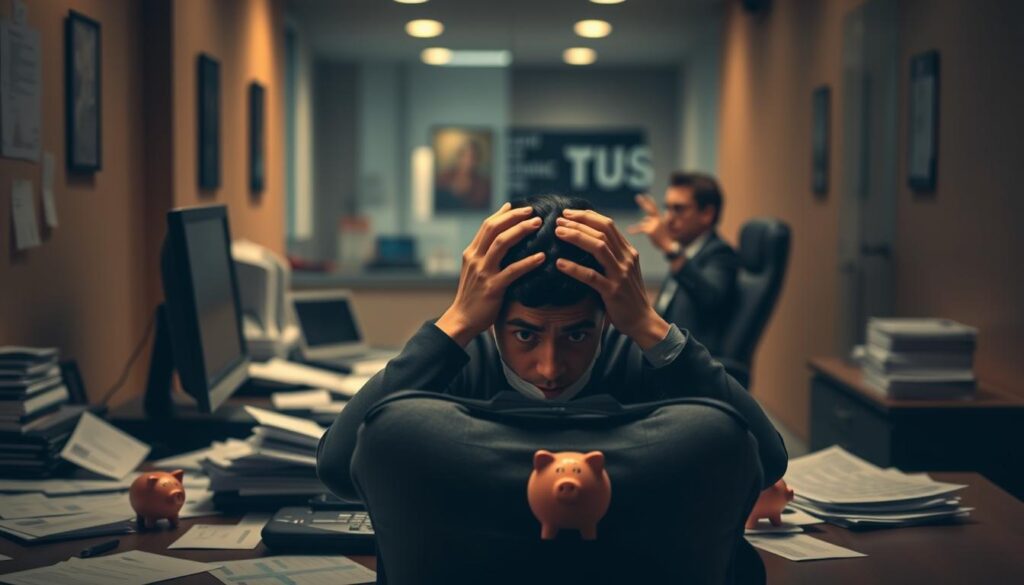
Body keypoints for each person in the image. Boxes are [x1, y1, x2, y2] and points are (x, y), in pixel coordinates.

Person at [317, 195, 786, 504]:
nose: (549, 368)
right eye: (525, 335)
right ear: (493, 316)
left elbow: (767, 461)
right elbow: (338, 469)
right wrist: (455, 322)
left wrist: (647, 324)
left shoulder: (641, 361)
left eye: (578, 335)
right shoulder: (458, 365)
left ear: (607, 316)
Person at [630, 172, 739, 356]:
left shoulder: (719, 253)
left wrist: (669, 248)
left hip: (693, 361)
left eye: (679, 209)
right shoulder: (685, 252)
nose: (669, 219)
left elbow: (711, 300)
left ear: (707, 214)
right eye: (668, 209)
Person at [434, 138, 492, 211]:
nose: (469, 161)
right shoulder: (444, 177)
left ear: (478, 160)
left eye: (473, 157)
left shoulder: (483, 185)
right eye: (465, 156)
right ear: (459, 157)